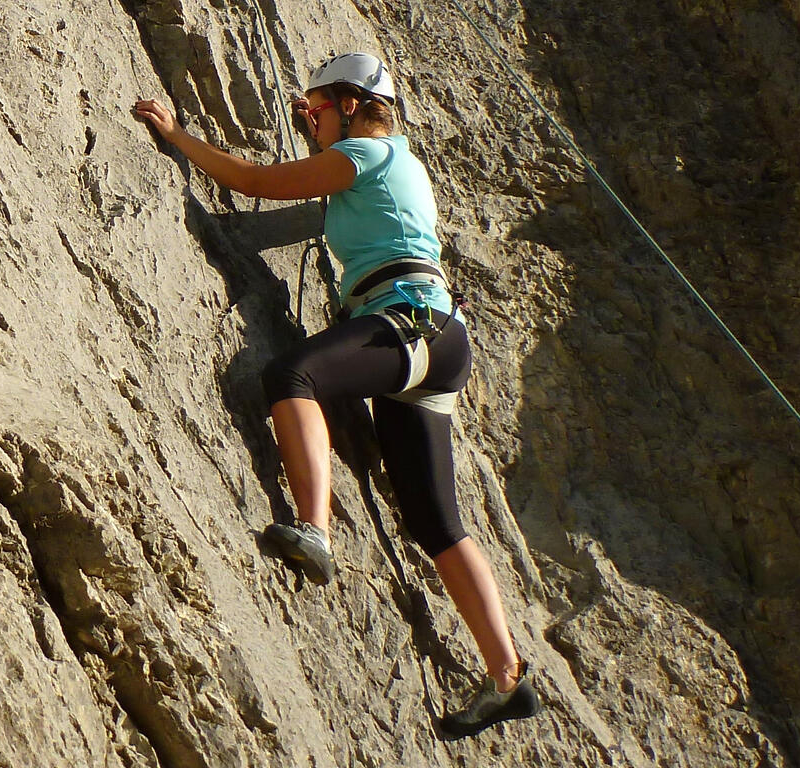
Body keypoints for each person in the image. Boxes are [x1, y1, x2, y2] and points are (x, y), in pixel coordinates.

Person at [133, 52, 541, 739]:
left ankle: (313, 529)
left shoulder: (365, 156)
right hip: (439, 337)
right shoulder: (392, 163)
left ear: (350, 105)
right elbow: (325, 190)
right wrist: (319, 137)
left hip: (407, 317)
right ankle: (507, 678)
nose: (312, 118)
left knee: (294, 376)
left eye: (319, 108)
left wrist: (177, 136)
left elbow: (254, 182)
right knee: (434, 519)